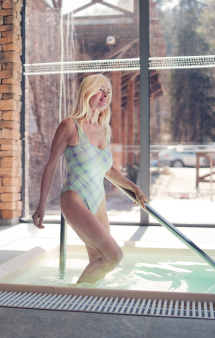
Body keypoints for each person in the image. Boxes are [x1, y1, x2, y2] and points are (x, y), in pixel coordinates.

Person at [31, 74, 149, 284]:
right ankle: (74, 299)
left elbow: (108, 170)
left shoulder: (103, 129)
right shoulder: (70, 125)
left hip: (98, 202)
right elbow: (51, 165)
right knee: (114, 256)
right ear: (87, 92)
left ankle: (86, 303)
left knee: (100, 259)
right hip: (74, 198)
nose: (105, 94)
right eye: (100, 89)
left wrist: (134, 188)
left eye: (108, 91)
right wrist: (41, 205)